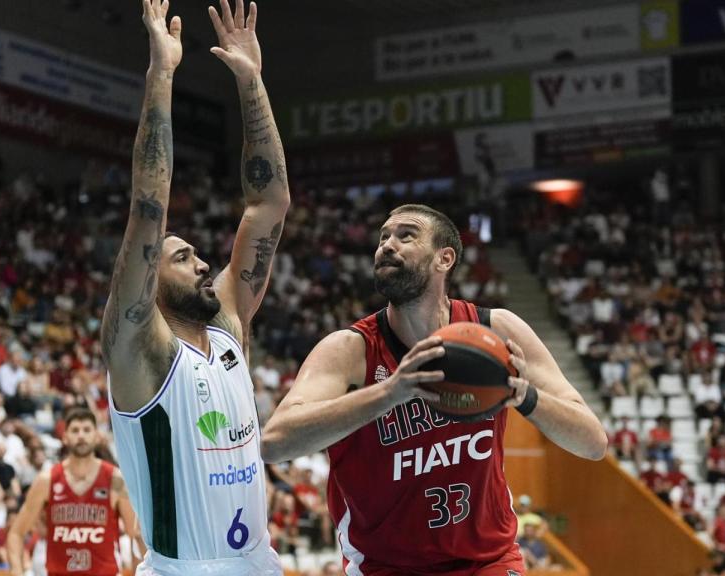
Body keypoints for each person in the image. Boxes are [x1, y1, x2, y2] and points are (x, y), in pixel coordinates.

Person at [262, 204, 607, 575]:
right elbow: (275, 443)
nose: (387, 245)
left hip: (487, 559)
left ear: (445, 259)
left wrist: (525, 397)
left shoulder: (496, 330)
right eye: (383, 237)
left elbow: (592, 442)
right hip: (386, 566)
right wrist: (389, 392)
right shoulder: (350, 350)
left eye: (405, 235)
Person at [103, 0, 289, 574]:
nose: (205, 264)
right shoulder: (140, 348)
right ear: (147, 274)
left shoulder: (228, 323)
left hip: (259, 563)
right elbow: (148, 207)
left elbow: (269, 202)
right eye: (183, 257)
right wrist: (162, 75)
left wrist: (251, 82)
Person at [7, 408, 146, 576]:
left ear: (96, 436)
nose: (81, 435)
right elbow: (16, 533)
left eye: (87, 430)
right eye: (75, 430)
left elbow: (136, 535)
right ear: (64, 437)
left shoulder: (116, 480)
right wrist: (16, 571)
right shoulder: (47, 480)